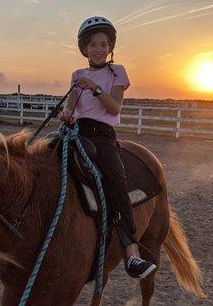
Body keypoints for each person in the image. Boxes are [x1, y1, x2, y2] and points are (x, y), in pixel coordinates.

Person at [58, 16, 157, 279]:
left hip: (102, 135)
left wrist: (95, 88)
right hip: (77, 130)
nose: (98, 49)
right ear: (84, 49)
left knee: (116, 180)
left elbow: (114, 107)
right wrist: (65, 114)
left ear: (110, 47)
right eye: (92, 45)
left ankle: (131, 252)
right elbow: (71, 106)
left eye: (103, 44)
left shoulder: (117, 72)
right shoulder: (77, 75)